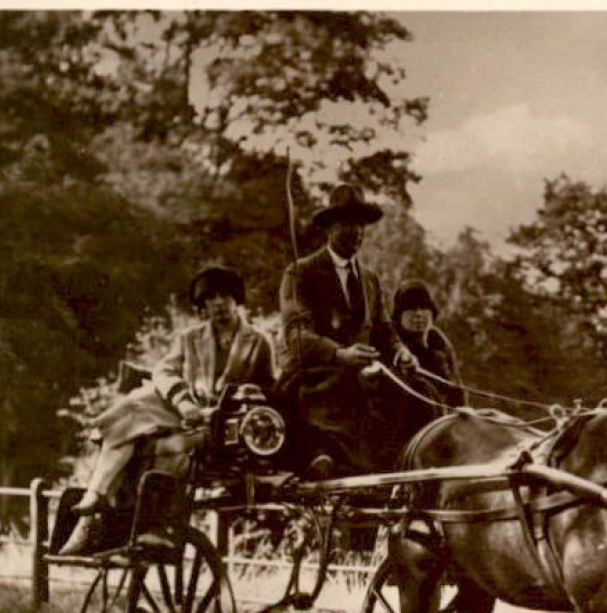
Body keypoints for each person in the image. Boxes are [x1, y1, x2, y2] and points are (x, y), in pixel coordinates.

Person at [59, 265, 276, 555]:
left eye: (225, 296)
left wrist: (249, 397)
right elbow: (164, 371)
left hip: (225, 430)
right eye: (210, 298)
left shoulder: (259, 342)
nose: (218, 303)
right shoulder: (189, 338)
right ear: (202, 305)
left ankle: (145, 524)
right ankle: (96, 501)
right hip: (186, 414)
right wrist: (183, 401)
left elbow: (271, 391)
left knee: (172, 447)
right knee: (137, 409)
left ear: (236, 299)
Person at [272, 183, 417, 475]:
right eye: (348, 224)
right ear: (330, 228)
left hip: (365, 375)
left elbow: (383, 329)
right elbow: (297, 335)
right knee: (339, 391)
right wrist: (339, 354)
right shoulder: (301, 272)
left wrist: (401, 351)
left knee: (417, 390)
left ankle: (408, 466)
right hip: (317, 376)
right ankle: (323, 459)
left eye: (362, 225)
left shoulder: (370, 279)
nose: (357, 232)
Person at [390, 280, 465, 407]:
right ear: (399, 316)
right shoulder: (392, 343)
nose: (418, 314)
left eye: (423, 307)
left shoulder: (439, 341)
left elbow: (456, 388)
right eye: (411, 309)